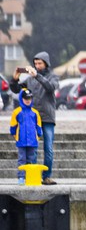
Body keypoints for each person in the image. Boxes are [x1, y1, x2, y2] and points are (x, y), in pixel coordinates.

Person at [10, 52, 59, 185]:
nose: (37, 66)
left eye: (40, 63)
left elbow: (50, 88)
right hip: (32, 119)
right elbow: (17, 90)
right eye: (35, 63)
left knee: (48, 148)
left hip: (47, 117)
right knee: (33, 148)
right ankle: (33, 175)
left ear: (46, 63)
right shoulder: (30, 79)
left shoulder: (53, 76)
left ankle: (46, 176)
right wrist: (15, 79)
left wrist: (37, 76)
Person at [10, 89, 43, 185]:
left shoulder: (35, 112)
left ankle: (29, 176)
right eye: (25, 98)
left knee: (30, 159)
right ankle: (21, 177)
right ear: (21, 99)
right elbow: (13, 124)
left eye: (29, 98)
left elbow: (38, 124)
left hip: (32, 140)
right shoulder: (17, 112)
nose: (28, 100)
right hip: (21, 139)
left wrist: (39, 133)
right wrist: (13, 133)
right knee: (21, 159)